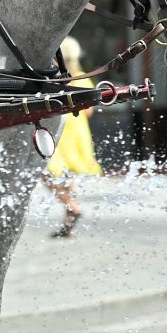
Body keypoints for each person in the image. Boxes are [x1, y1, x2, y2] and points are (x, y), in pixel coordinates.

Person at [44, 36, 103, 238]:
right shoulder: (82, 78)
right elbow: (89, 112)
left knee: (47, 172)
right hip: (78, 134)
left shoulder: (54, 81)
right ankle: (68, 223)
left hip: (60, 133)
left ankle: (72, 206)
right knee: (68, 178)